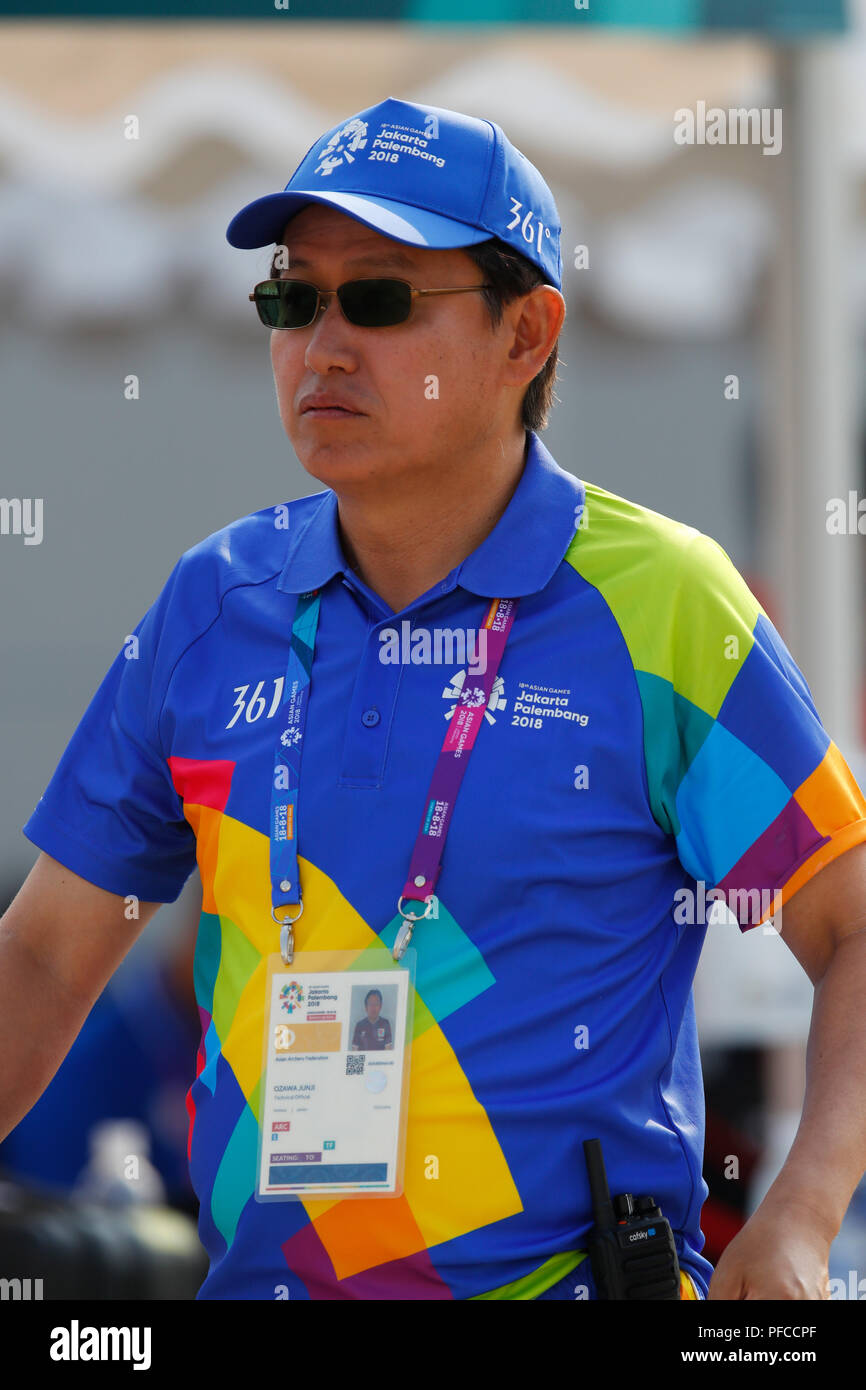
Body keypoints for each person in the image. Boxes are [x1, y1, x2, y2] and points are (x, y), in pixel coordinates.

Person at [2, 94, 866, 1302]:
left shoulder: (662, 602)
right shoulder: (215, 600)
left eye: (380, 298)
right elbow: (42, 958)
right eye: (292, 297)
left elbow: (851, 926)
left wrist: (795, 1219)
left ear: (526, 336)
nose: (323, 343)